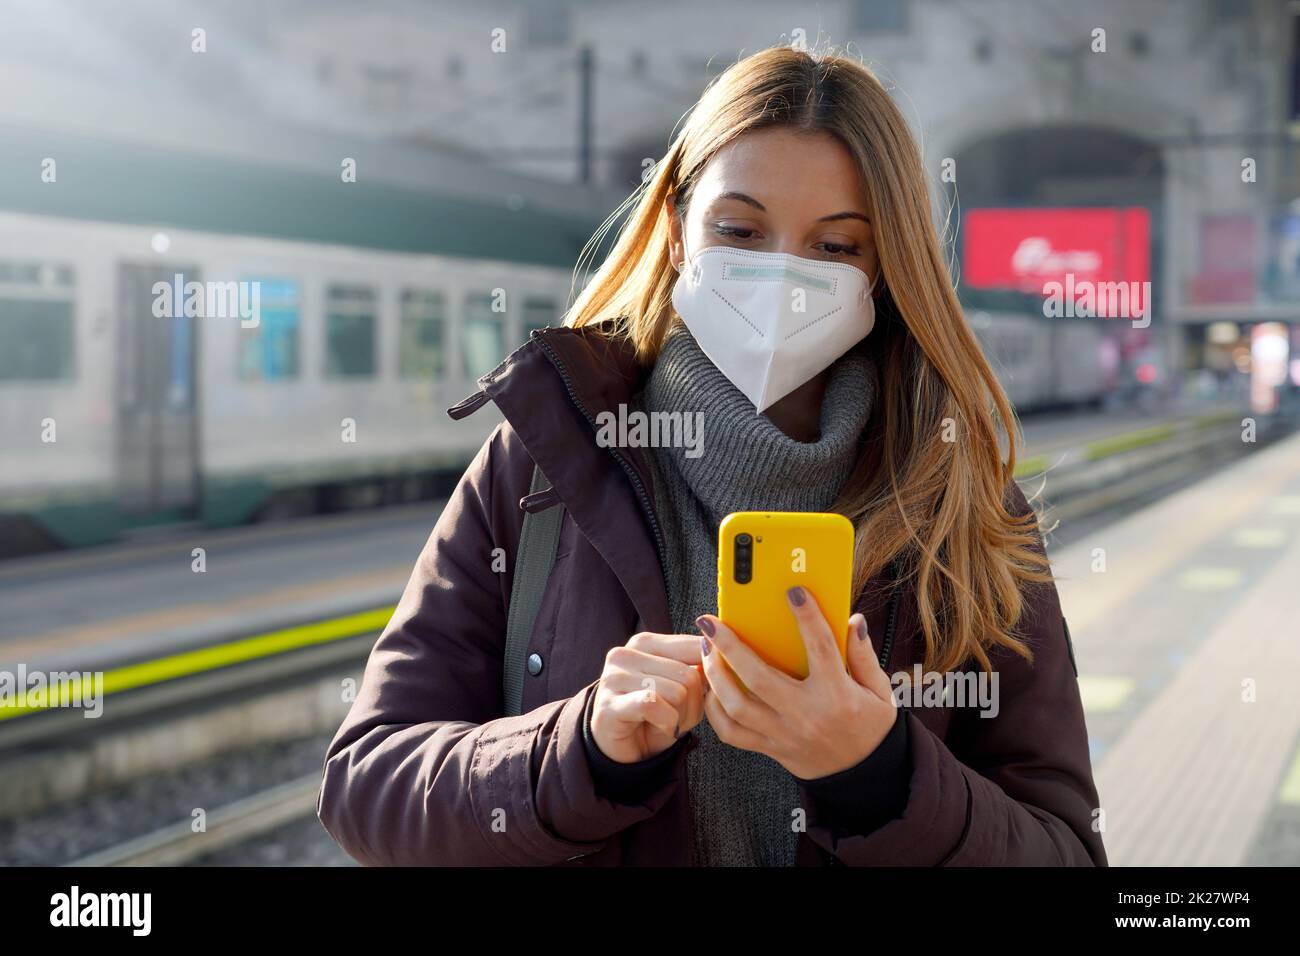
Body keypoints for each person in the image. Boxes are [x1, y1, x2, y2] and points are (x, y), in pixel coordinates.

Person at [316, 45, 1107, 867]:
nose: (780, 275)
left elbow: (1065, 852)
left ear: (886, 270)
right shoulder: (540, 467)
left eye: (836, 248)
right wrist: (576, 751)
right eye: (739, 230)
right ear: (675, 231)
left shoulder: (961, 505)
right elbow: (364, 785)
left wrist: (883, 776)